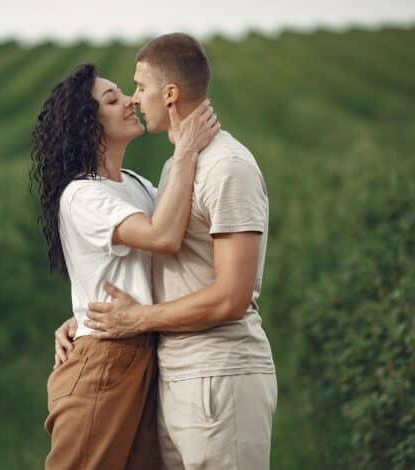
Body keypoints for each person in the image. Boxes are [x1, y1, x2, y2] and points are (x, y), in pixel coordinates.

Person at [54, 33, 278, 469]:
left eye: (137, 87)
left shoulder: (225, 167)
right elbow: (153, 250)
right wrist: (83, 314)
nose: (134, 100)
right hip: (172, 371)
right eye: (120, 94)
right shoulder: (173, 168)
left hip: (217, 372)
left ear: (170, 94)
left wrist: (136, 318)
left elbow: (232, 295)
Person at [30, 62, 218, 469]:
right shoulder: (81, 195)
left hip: (142, 351)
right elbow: (162, 237)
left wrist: (77, 314)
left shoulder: (133, 183)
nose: (131, 101)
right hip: (106, 360)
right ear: (88, 124)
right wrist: (184, 150)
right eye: (112, 99)